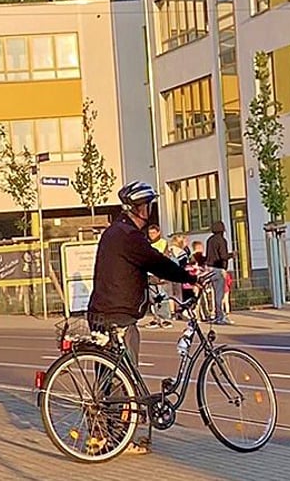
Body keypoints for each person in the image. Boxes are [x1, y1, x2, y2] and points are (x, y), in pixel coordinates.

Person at [86, 180, 203, 456]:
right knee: (120, 379)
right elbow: (155, 261)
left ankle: (101, 437)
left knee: (108, 377)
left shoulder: (115, 232)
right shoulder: (130, 235)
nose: (150, 211)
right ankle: (114, 440)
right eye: (148, 206)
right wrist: (188, 278)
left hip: (103, 311)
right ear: (140, 208)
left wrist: (152, 293)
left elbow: (128, 270)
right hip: (117, 316)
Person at [205, 221, 234, 325]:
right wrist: (231, 255)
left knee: (211, 293)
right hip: (218, 268)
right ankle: (219, 316)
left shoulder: (209, 240)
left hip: (209, 268)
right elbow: (223, 256)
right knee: (219, 294)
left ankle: (211, 313)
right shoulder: (221, 240)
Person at [145, 225, 172, 329]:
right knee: (153, 297)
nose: (151, 235)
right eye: (150, 233)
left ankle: (165, 319)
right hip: (149, 274)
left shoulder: (163, 243)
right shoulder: (147, 244)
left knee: (162, 296)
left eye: (153, 233)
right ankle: (156, 318)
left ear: (158, 233)